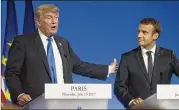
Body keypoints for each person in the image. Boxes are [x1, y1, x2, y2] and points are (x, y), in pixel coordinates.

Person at [5, 4, 117, 106]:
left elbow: (79, 66)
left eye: (56, 18)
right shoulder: (23, 42)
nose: (54, 21)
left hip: (65, 103)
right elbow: (12, 73)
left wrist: (108, 69)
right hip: (36, 103)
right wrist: (19, 94)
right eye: (49, 18)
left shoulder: (63, 43)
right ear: (38, 22)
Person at [114, 18, 179, 108]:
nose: (139, 35)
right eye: (138, 31)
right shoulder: (127, 58)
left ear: (155, 36)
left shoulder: (169, 56)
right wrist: (131, 101)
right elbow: (119, 87)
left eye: (144, 32)